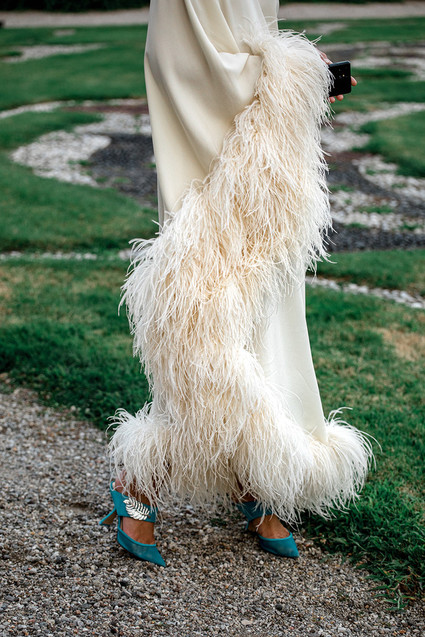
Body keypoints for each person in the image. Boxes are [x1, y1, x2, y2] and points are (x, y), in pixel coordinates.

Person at [100, 0, 374, 567]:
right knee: (201, 318)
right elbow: (181, 59)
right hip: (211, 155)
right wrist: (297, 76)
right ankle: (141, 480)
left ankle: (253, 472)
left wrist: (301, 70)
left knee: (268, 314)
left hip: (265, 165)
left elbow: (252, 32)